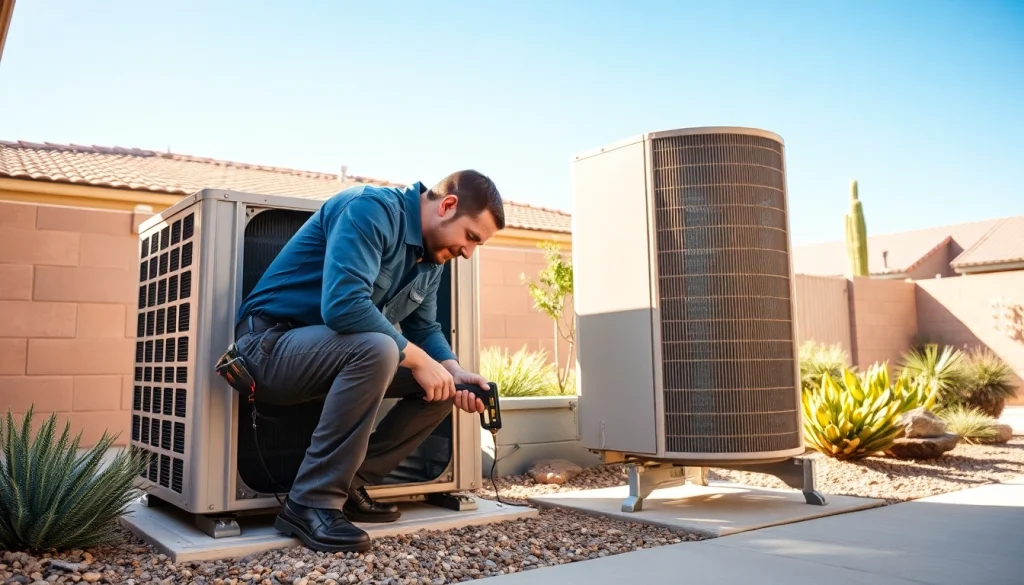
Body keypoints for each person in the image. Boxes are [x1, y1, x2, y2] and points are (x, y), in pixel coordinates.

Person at [232, 170, 505, 553]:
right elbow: (344, 307)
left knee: (443, 383)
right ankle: (310, 502)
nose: (468, 252)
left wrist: (452, 369)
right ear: (447, 205)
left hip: (337, 355)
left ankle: (349, 482)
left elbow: (425, 329)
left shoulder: (430, 261)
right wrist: (419, 360)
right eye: (471, 237)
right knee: (380, 348)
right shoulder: (370, 209)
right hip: (268, 349)